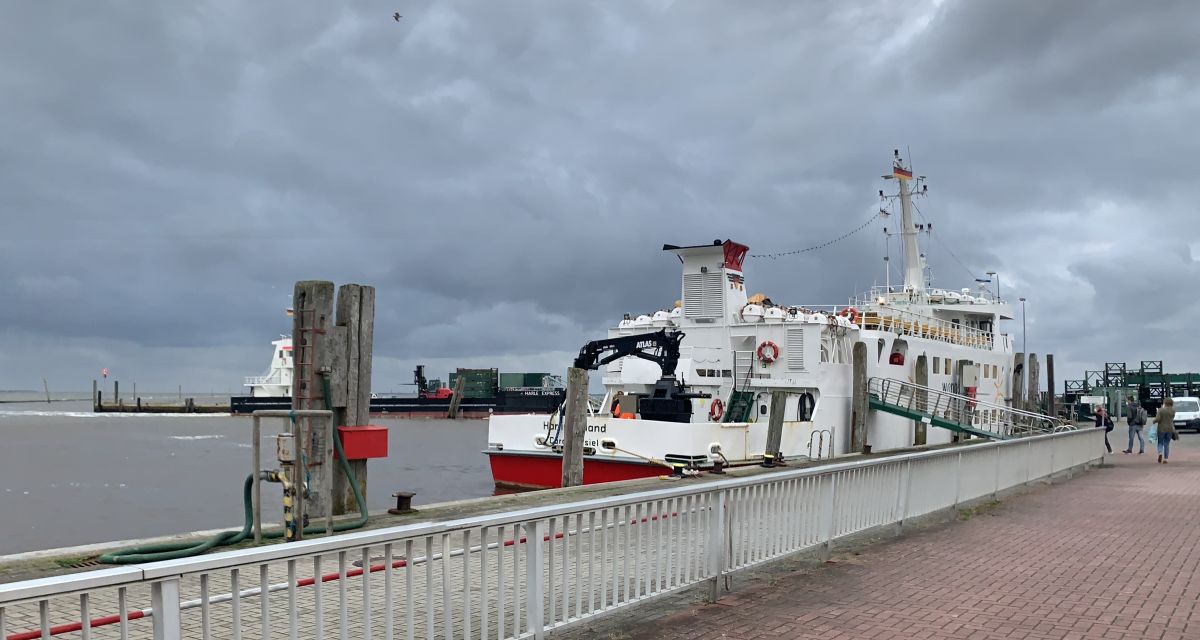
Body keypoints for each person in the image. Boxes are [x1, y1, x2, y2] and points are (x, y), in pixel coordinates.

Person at [1154, 398, 1177, 464]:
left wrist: (1154, 421)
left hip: (1161, 428)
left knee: (1160, 442)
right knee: (1167, 444)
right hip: (1170, 429)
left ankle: (1160, 453)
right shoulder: (1173, 410)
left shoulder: (1161, 410)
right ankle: (1166, 459)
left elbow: (1157, 419)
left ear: (1165, 403)